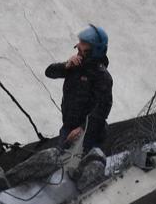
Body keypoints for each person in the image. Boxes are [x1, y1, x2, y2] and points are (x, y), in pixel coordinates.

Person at [44, 24, 113, 154]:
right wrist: (66, 65)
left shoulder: (102, 76)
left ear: (94, 49)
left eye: (84, 43)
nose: (78, 45)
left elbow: (102, 109)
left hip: (90, 134)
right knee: (61, 164)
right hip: (68, 128)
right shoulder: (76, 65)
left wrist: (82, 129)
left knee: (80, 168)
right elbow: (49, 72)